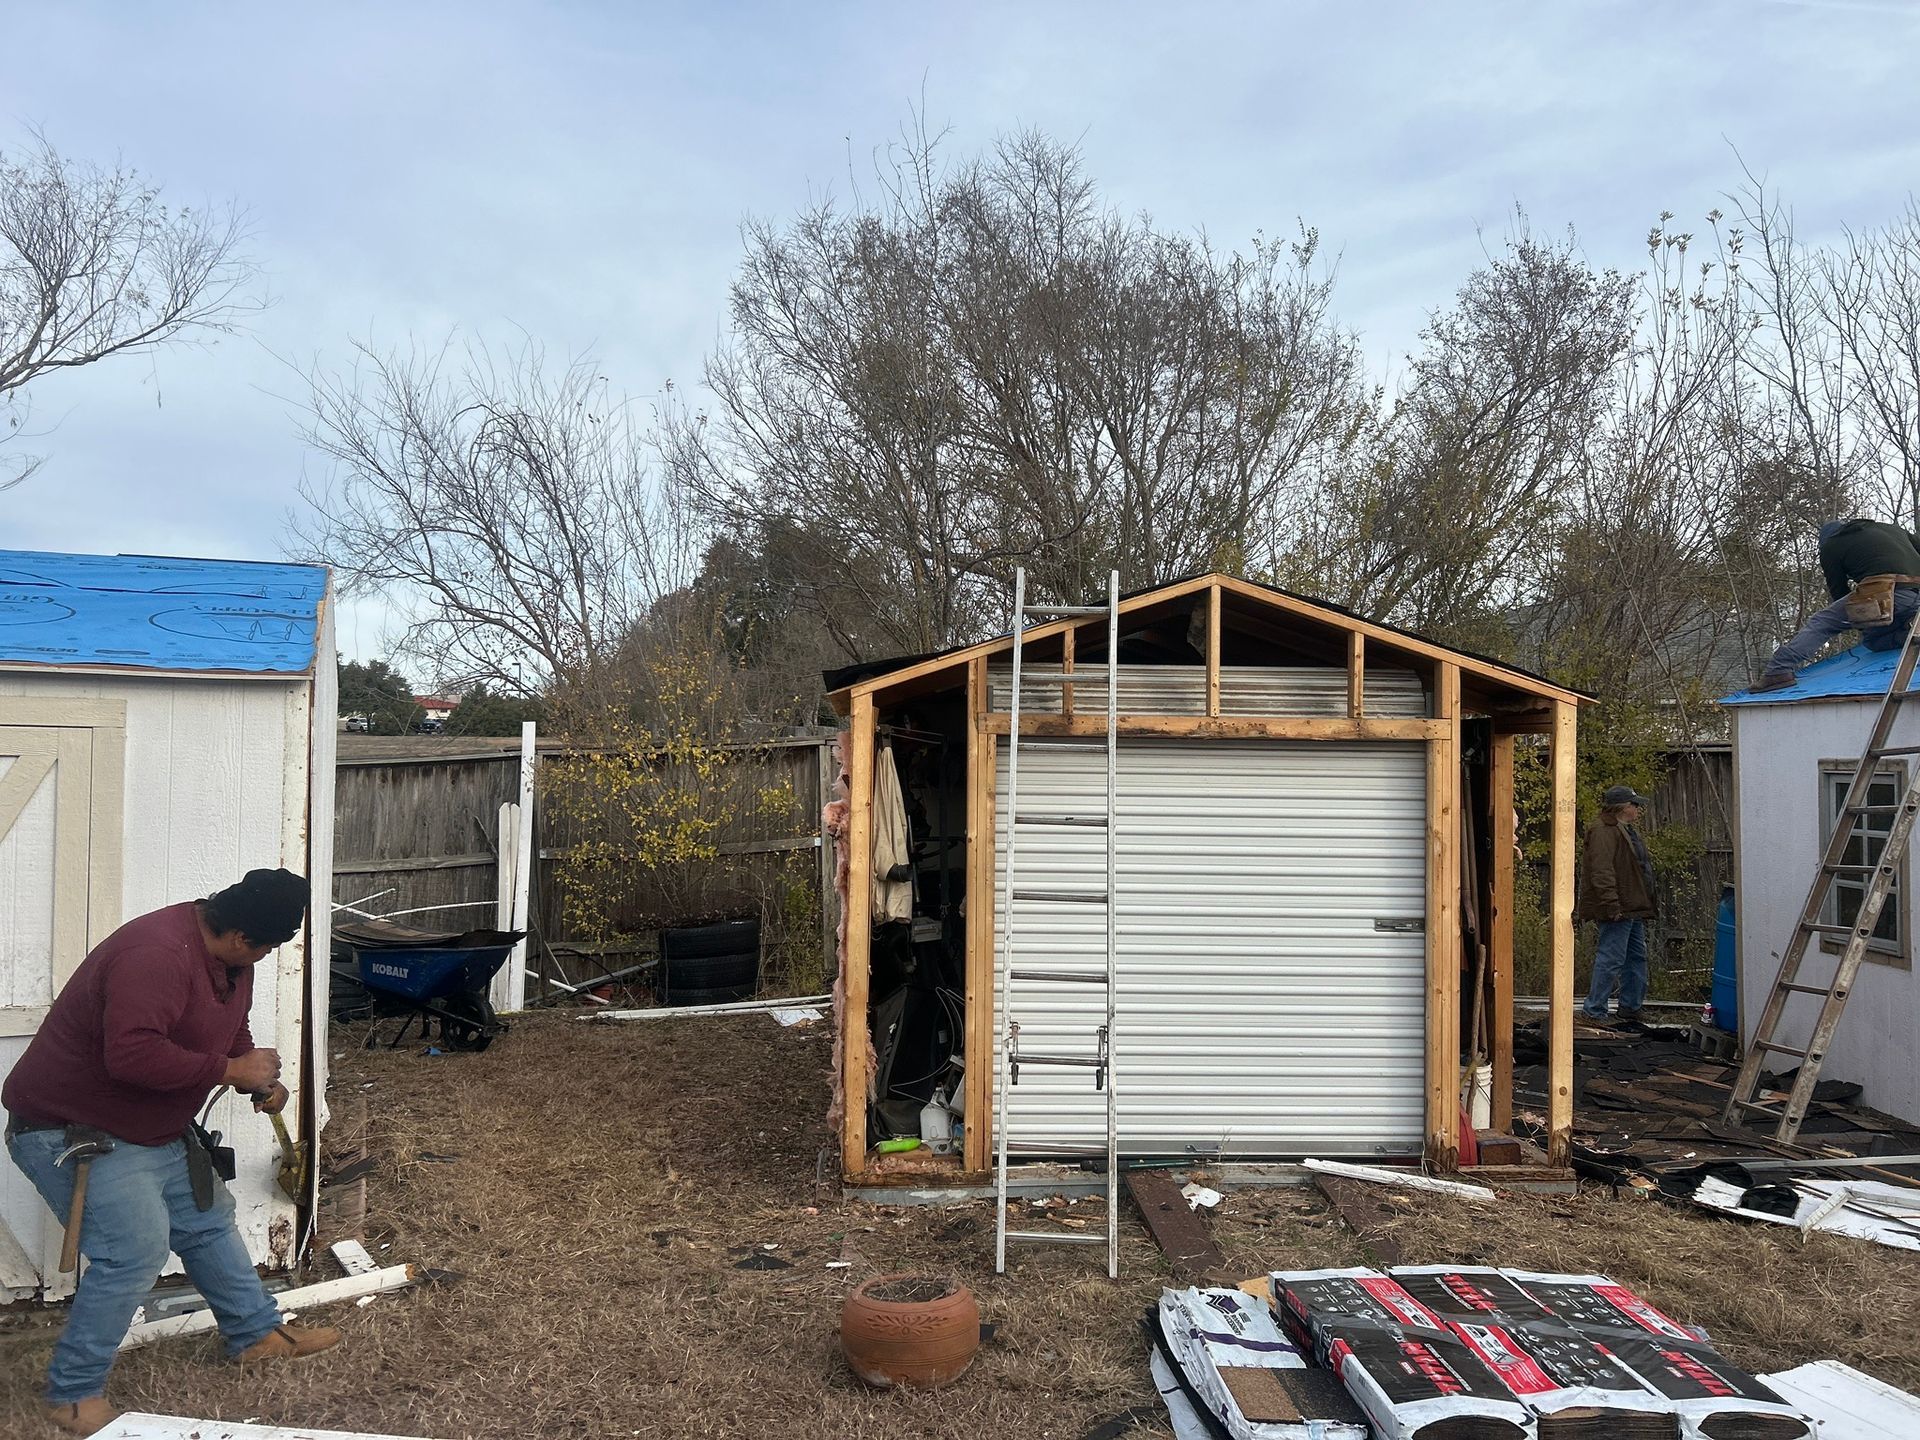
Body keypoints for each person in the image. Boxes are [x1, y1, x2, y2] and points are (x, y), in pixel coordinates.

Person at [4, 869, 341, 1437]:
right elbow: (131, 1056)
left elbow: (230, 1030)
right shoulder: (155, 954)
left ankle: (255, 1335)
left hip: (149, 1126)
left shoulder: (231, 961)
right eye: (263, 950)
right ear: (241, 937)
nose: (260, 961)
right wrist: (232, 1067)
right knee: (131, 1253)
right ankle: (72, 1395)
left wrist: (255, 1078)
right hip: (71, 1128)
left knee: (207, 1222)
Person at [1753, 518, 1920, 692]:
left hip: (1889, 592)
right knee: (1871, 640)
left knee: (1822, 622)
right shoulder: (1892, 529)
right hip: (1916, 596)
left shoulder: (1831, 546)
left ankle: (1779, 670)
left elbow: (1839, 591)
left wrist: (1860, 619)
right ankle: (1908, 628)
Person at [1576, 785, 1657, 1024]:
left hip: (1632, 906)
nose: (1638, 809)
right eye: (1635, 805)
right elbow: (1601, 871)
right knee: (1611, 957)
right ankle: (1594, 1009)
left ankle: (1631, 1006)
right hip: (1618, 907)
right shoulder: (1603, 831)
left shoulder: (1625, 830)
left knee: (1636, 957)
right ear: (1623, 807)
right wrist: (1611, 904)